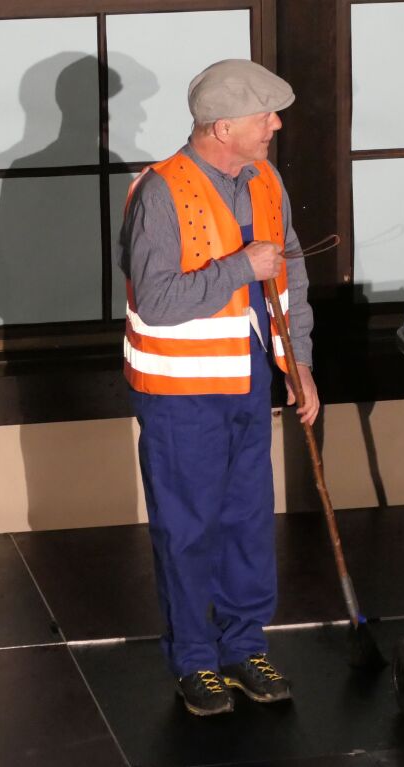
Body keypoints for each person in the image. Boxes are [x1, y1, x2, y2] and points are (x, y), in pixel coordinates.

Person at [118, 59, 318, 715]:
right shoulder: (160, 193)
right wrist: (240, 266)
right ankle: (195, 657)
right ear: (225, 126)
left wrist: (299, 363)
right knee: (187, 528)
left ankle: (244, 644)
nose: (278, 126)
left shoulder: (263, 180)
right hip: (180, 393)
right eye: (267, 116)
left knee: (247, 520)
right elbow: (159, 298)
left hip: (246, 380)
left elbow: (287, 281)